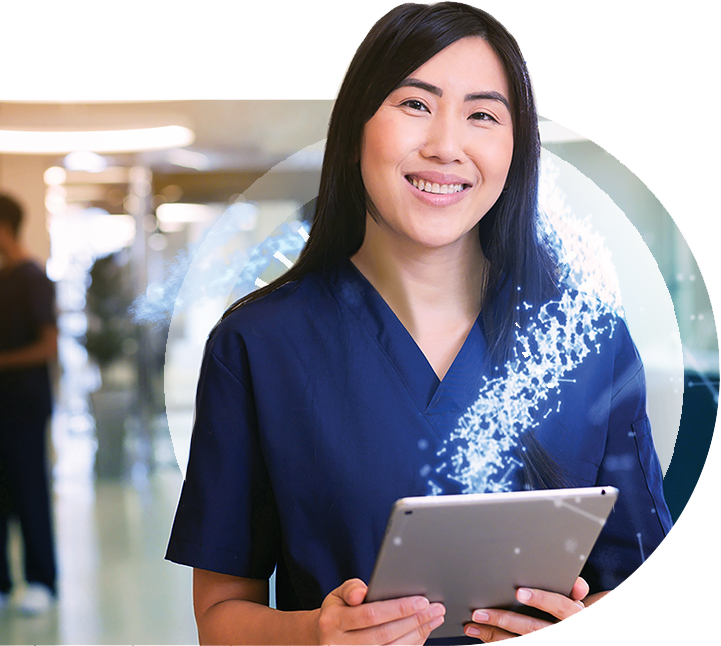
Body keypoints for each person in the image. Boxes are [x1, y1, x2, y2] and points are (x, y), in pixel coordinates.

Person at [166, 3, 672, 644]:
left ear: (516, 151)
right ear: (355, 129)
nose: (445, 146)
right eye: (414, 104)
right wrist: (316, 635)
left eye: (483, 115)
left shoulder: (590, 344)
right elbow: (218, 619)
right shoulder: (258, 346)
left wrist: (584, 630)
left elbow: (651, 588)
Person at [0, 193, 58, 615]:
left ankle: (41, 581)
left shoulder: (32, 277)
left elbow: (48, 346)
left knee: (29, 491)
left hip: (24, 406)